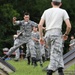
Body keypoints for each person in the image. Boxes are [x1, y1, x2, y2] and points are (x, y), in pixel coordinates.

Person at [38, 0, 71, 75]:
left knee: (58, 51)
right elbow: (69, 26)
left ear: (52, 3)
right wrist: (66, 34)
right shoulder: (63, 11)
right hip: (56, 33)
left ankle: (60, 70)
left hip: (47, 34)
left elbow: (40, 25)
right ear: (60, 4)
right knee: (55, 52)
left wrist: (41, 37)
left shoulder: (46, 11)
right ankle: (50, 71)